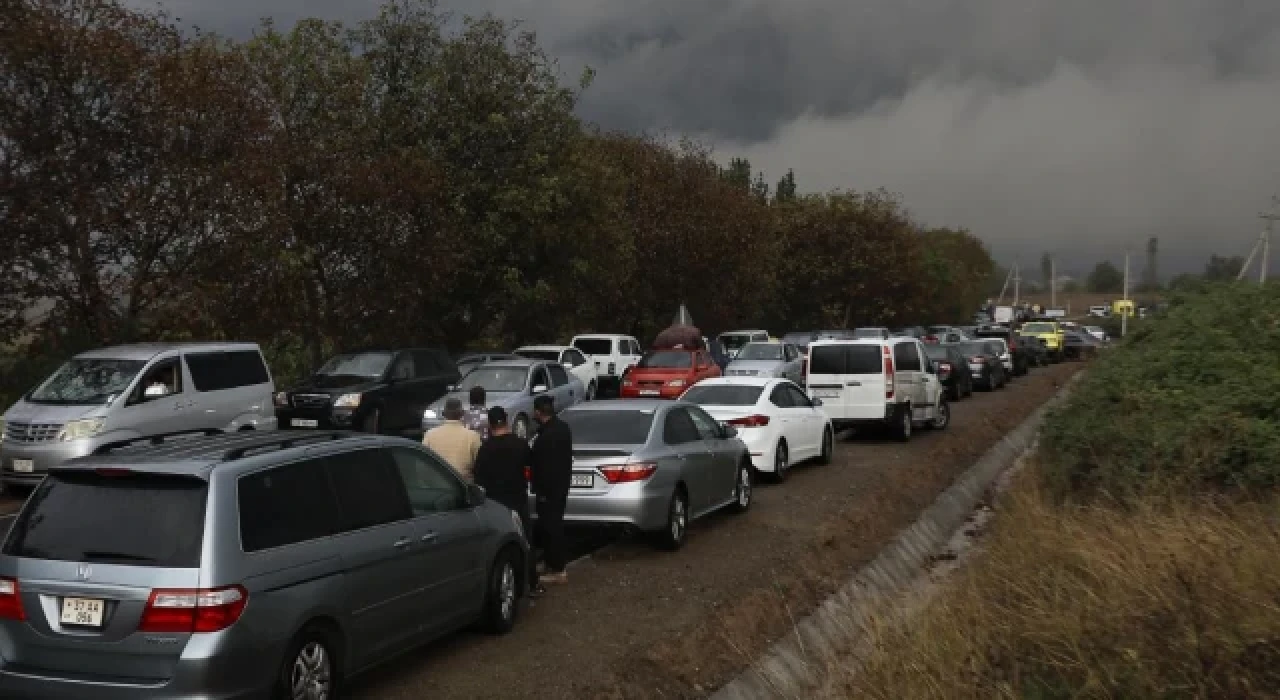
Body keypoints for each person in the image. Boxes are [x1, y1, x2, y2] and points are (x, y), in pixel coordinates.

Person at [473, 406, 541, 595]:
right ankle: (532, 583)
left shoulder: (485, 449)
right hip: (517, 499)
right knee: (526, 540)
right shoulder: (520, 445)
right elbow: (531, 468)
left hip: (495, 503)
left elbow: (478, 478)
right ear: (507, 421)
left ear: (490, 424)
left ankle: (506, 584)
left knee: (500, 545)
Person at [528, 395, 572, 584]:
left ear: (538, 412)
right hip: (560, 486)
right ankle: (551, 562)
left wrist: (540, 489)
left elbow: (542, 465)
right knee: (552, 526)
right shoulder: (562, 428)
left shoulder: (545, 437)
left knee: (551, 528)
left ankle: (557, 569)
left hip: (549, 490)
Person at [422, 398, 481, 480]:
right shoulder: (473, 436)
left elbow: (423, 465)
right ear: (462, 414)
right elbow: (479, 466)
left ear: (443, 414)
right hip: (464, 485)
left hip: (437, 483)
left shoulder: (429, 435)